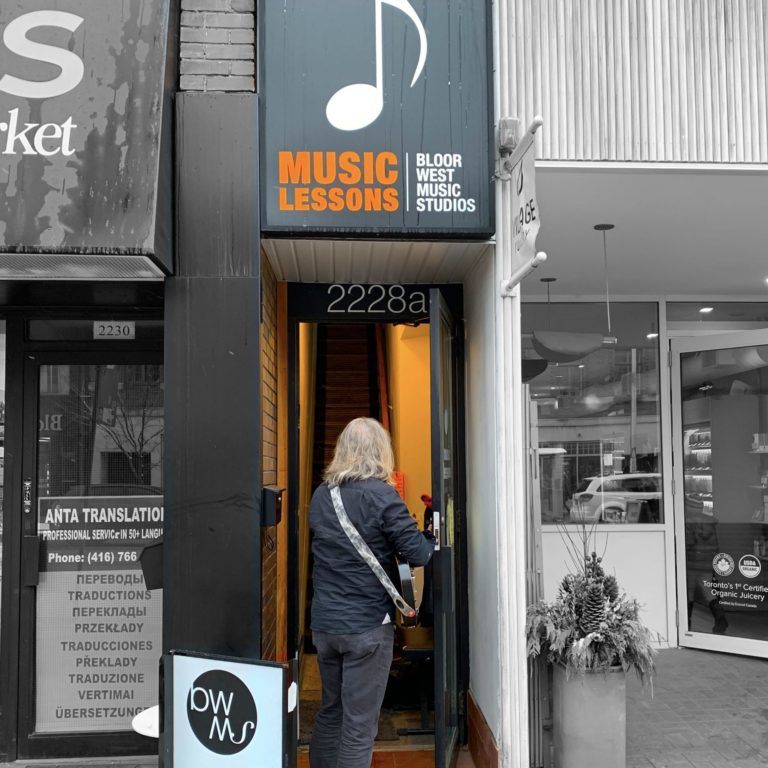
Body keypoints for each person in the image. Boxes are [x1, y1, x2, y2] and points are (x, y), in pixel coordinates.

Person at [309, 417, 434, 768]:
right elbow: (418, 554)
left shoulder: (322, 495)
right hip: (366, 627)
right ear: (381, 451)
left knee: (331, 712)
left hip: (325, 625)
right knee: (359, 726)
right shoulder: (382, 495)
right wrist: (429, 536)